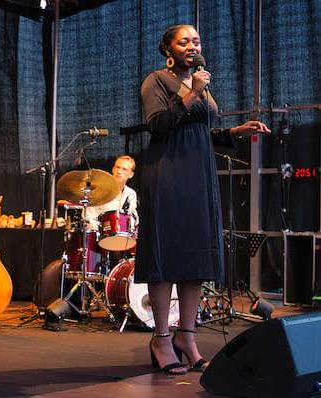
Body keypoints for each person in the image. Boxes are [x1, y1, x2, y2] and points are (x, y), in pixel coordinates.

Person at [137, 24, 270, 375]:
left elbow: (201, 131)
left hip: (199, 176)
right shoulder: (157, 81)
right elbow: (160, 126)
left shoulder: (200, 83)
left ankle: (187, 336)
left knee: (196, 254)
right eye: (184, 41)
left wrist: (235, 132)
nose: (192, 46)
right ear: (169, 48)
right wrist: (193, 93)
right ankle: (161, 338)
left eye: (196, 40)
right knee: (167, 254)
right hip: (167, 174)